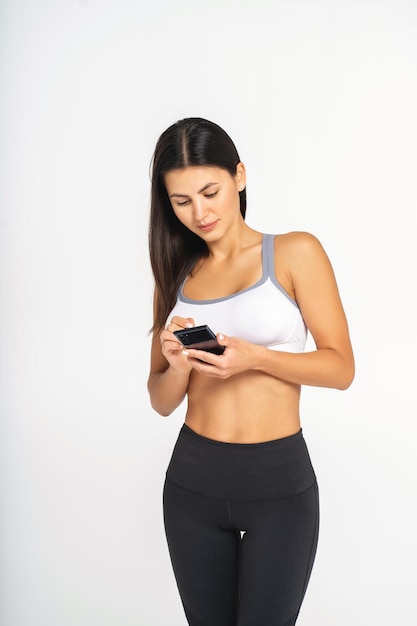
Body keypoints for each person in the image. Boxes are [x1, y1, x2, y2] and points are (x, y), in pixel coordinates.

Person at [147, 117, 354, 626]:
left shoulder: (294, 252)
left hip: (277, 482)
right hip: (192, 480)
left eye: (210, 191)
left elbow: (341, 368)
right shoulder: (177, 272)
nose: (200, 212)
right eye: (181, 201)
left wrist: (256, 358)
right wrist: (177, 366)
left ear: (240, 176)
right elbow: (161, 399)